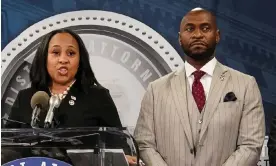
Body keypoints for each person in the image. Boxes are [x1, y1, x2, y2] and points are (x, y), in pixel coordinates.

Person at [134, 7, 265, 166]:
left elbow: (251, 145)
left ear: (217, 36)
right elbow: (144, 143)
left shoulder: (245, 85)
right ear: (180, 38)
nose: (197, 35)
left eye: (205, 28)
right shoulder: (156, 90)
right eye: (190, 29)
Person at [3, 28, 137, 165]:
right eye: (55, 53)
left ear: (80, 60)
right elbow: (7, 144)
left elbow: (119, 145)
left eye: (71, 53)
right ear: (44, 58)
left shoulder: (98, 97)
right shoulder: (25, 97)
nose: (63, 59)